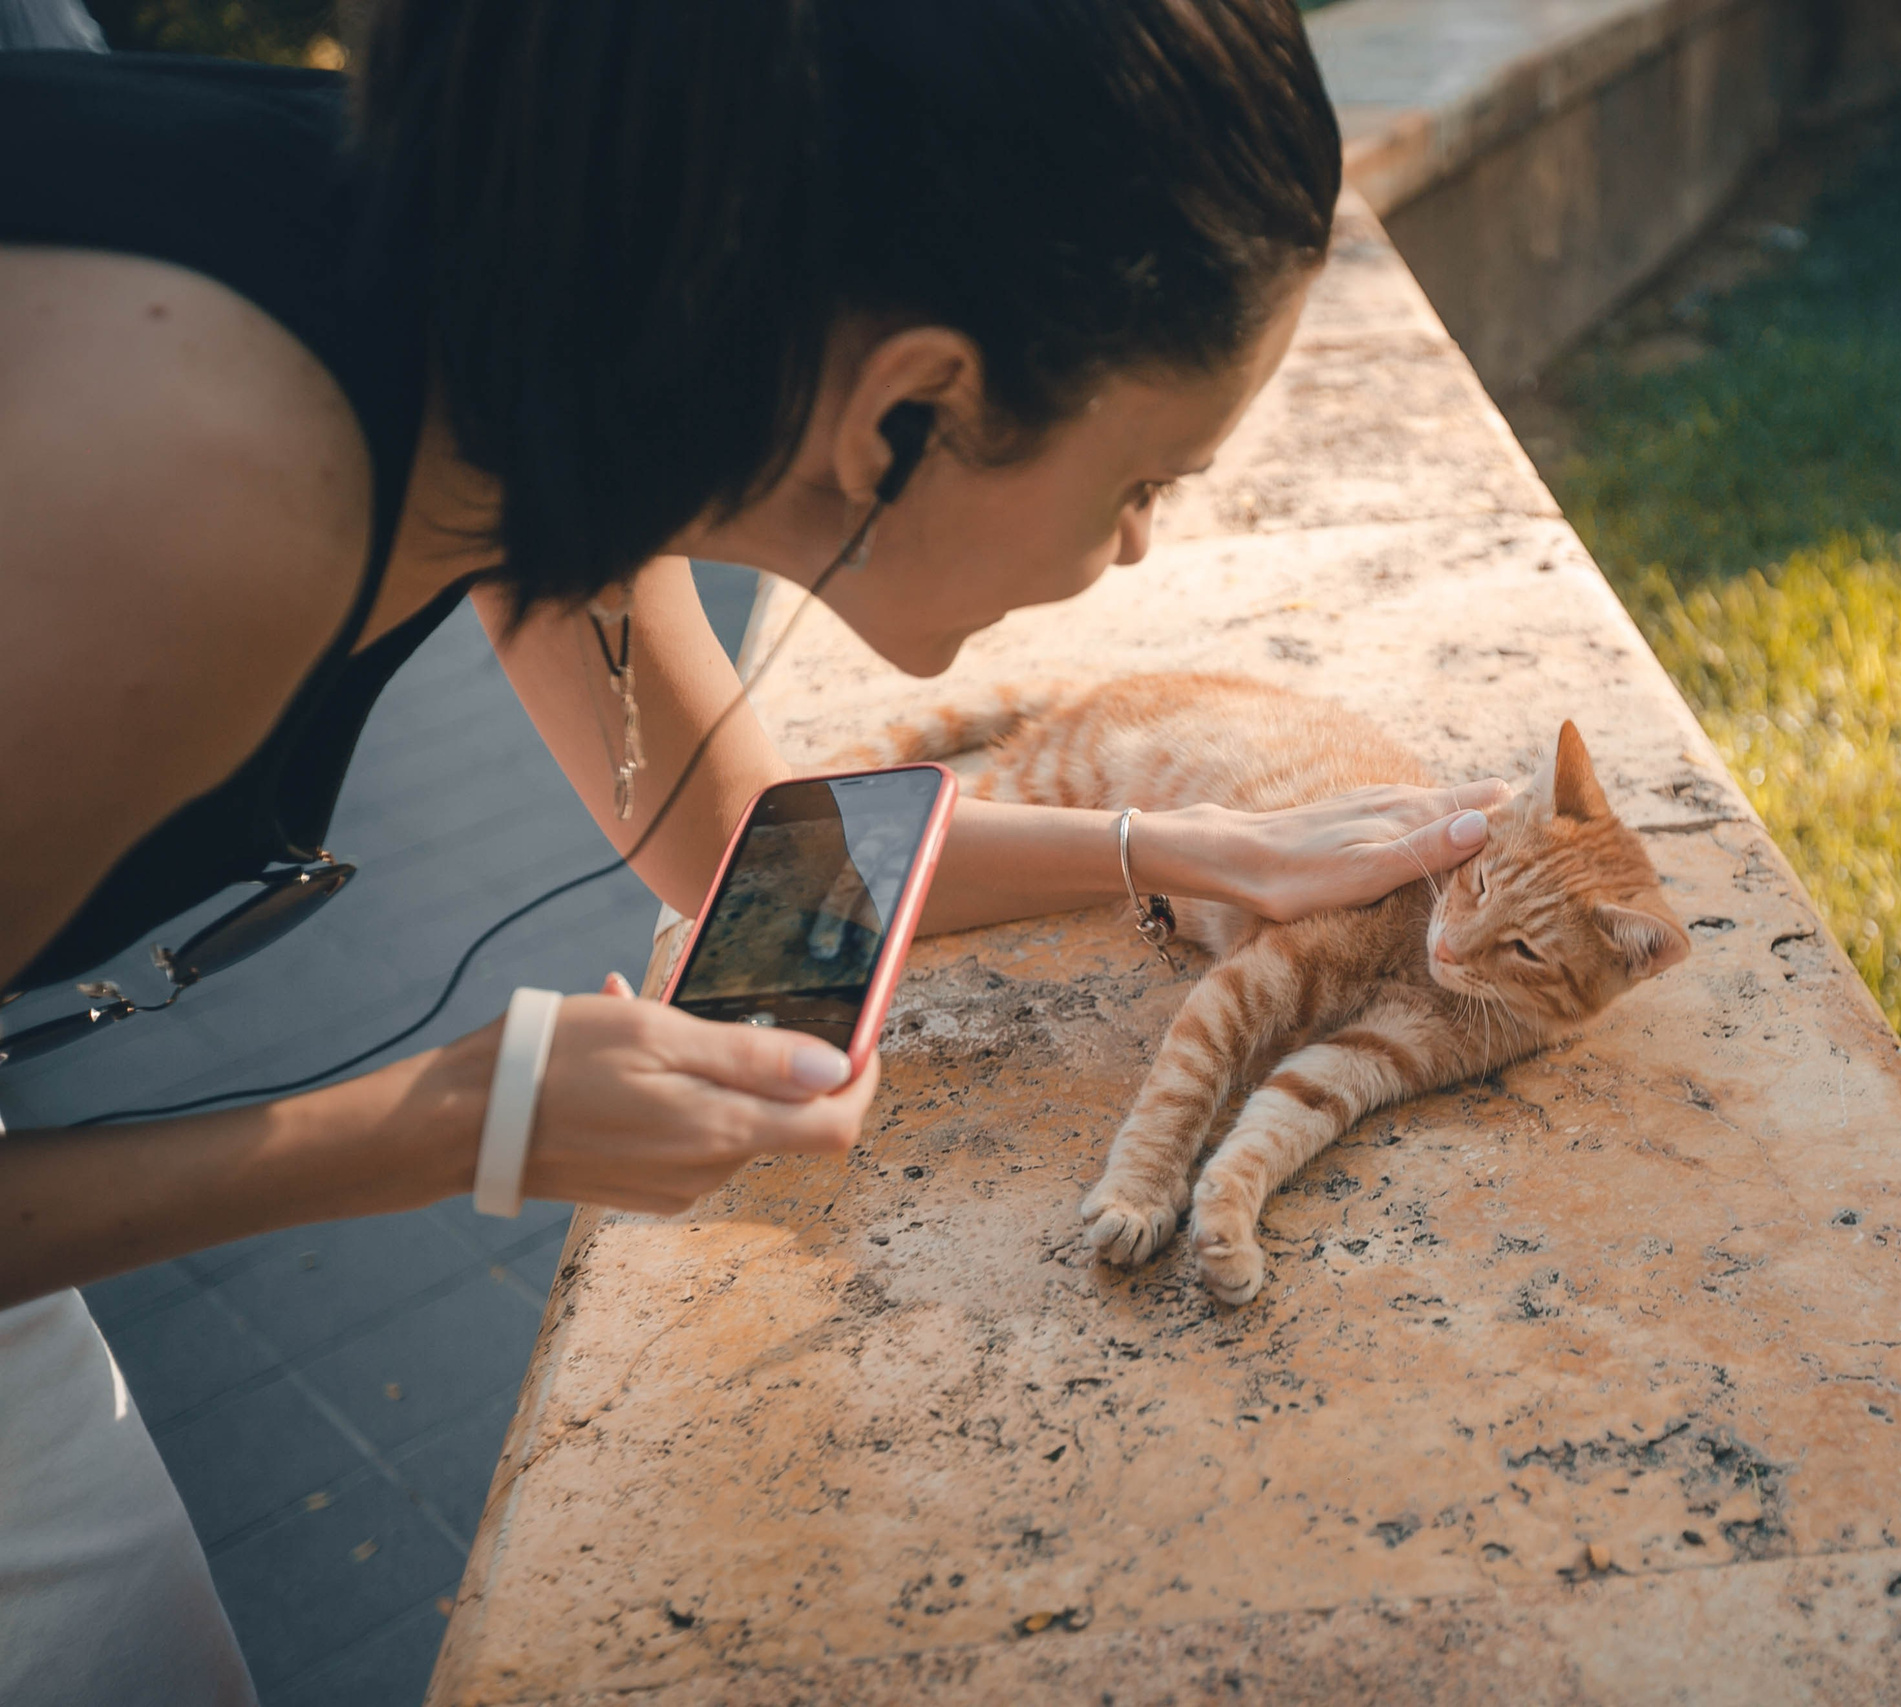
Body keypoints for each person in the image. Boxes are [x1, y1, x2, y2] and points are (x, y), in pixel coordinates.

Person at [0, 4, 1504, 1701]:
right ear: (913, 414)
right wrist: (460, 1122)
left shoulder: (555, 344)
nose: (1143, 547)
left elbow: (740, 853)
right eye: (1147, 479)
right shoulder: (200, 498)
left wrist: (1175, 843)